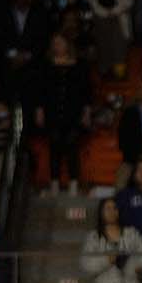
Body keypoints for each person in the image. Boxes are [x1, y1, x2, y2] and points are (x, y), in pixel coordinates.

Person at [35, 32, 91, 193]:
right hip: (53, 112)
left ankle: (74, 183)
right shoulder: (46, 65)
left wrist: (86, 112)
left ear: (67, 44)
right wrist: (40, 110)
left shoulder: (79, 65)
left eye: (60, 42)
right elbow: (41, 90)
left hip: (73, 112)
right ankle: (54, 183)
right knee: (55, 146)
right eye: (54, 43)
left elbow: (86, 91)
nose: (57, 46)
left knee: (72, 145)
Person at [83, 0, 134, 77]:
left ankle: (119, 83)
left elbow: (129, 1)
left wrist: (114, 12)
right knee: (102, 52)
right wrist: (103, 13)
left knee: (119, 53)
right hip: (99, 20)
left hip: (119, 20)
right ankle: (104, 84)